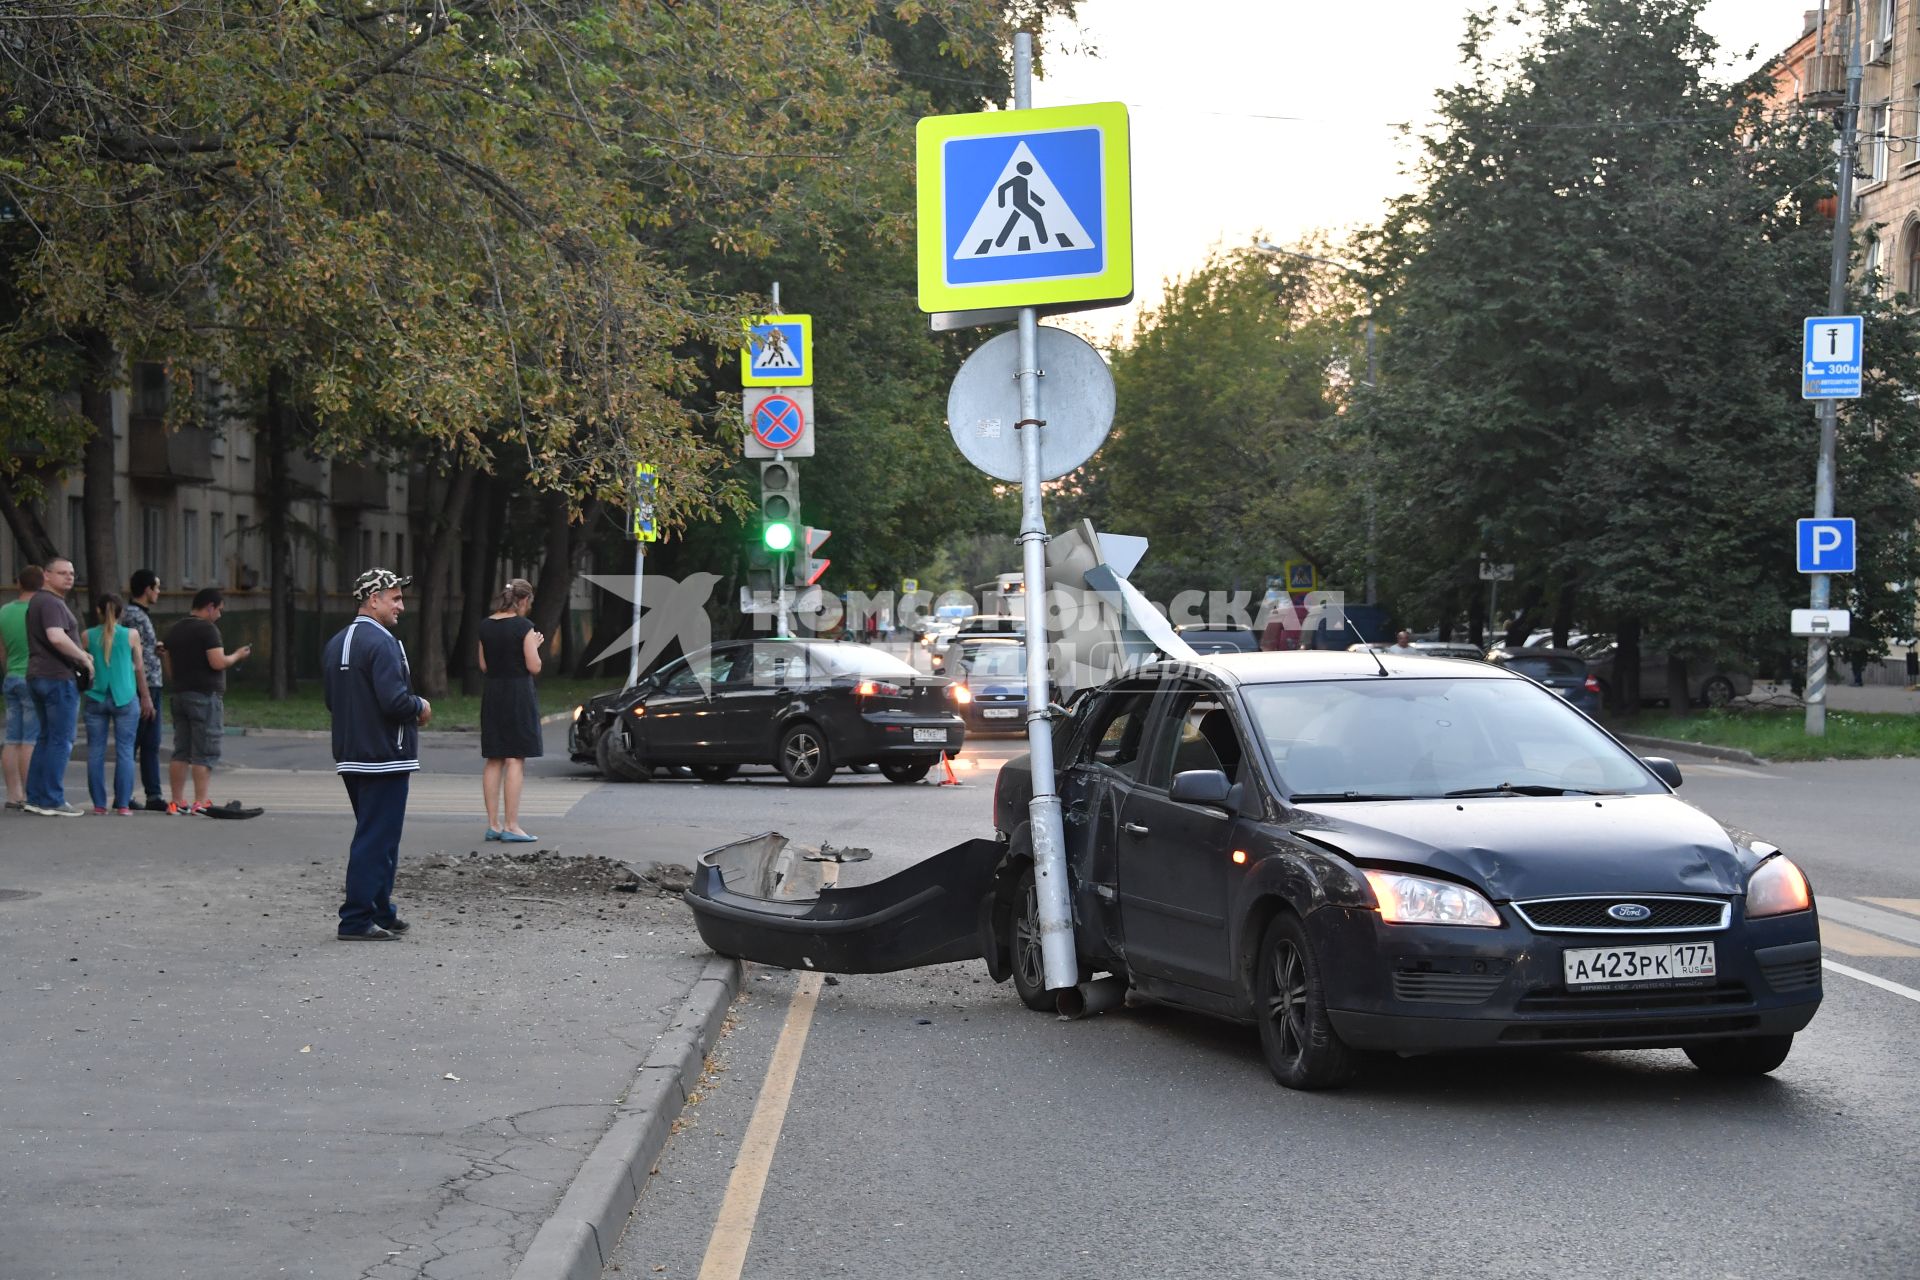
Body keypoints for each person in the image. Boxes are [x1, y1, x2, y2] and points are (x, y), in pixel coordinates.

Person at [323, 569, 431, 941]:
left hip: (351, 753)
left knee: (377, 836)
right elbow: (395, 701)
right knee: (376, 839)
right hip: (386, 754)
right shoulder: (383, 643)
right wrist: (421, 705)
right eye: (395, 598)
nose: (401, 605)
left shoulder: (337, 641)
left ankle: (382, 910)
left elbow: (330, 701)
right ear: (373, 599)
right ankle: (355, 920)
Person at [164, 587, 250, 815]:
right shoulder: (207, 630)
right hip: (204, 696)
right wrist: (238, 655)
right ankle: (200, 801)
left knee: (180, 749)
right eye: (219, 609)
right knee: (204, 750)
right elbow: (217, 662)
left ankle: (176, 801)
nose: (219, 615)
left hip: (179, 694)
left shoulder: (174, 629)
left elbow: (170, 670)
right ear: (210, 606)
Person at [23, 557, 93, 817]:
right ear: (46, 575)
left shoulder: (39, 601)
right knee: (61, 740)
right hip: (57, 677)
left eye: (72, 573)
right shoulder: (51, 602)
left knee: (46, 737)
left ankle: (36, 796)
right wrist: (83, 657)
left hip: (39, 675)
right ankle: (52, 799)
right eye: (62, 573)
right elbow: (56, 636)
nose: (69, 577)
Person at [476, 578, 545, 843]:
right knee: (515, 758)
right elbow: (534, 666)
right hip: (518, 694)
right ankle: (512, 825)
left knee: (494, 758)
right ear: (524, 600)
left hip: (493, 693)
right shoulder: (523, 627)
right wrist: (535, 647)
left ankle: (493, 824)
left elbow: (483, 664)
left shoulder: (485, 626)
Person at [83, 593, 152, 815]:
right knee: (125, 751)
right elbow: (139, 667)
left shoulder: (87, 636)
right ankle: (123, 804)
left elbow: (84, 665)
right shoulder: (131, 635)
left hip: (96, 696)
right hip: (124, 696)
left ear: (98, 611)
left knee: (95, 751)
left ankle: (99, 805)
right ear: (122, 612)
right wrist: (145, 696)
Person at [122, 569, 169, 811]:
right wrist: (145, 694)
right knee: (137, 740)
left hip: (152, 682)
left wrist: (156, 647)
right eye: (157, 588)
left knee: (151, 741)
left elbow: (143, 648)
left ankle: (153, 794)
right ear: (148, 589)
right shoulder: (134, 615)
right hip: (144, 685)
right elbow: (134, 653)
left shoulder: (140, 615)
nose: (159, 592)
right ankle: (126, 793)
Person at [1, 565, 44, 811]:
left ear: (19, 584)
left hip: (12, 676)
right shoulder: (39, 609)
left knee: (12, 739)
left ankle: (13, 794)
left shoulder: (4, 611)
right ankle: (31, 794)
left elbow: (2, 649)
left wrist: (9, 670)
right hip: (33, 676)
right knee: (31, 739)